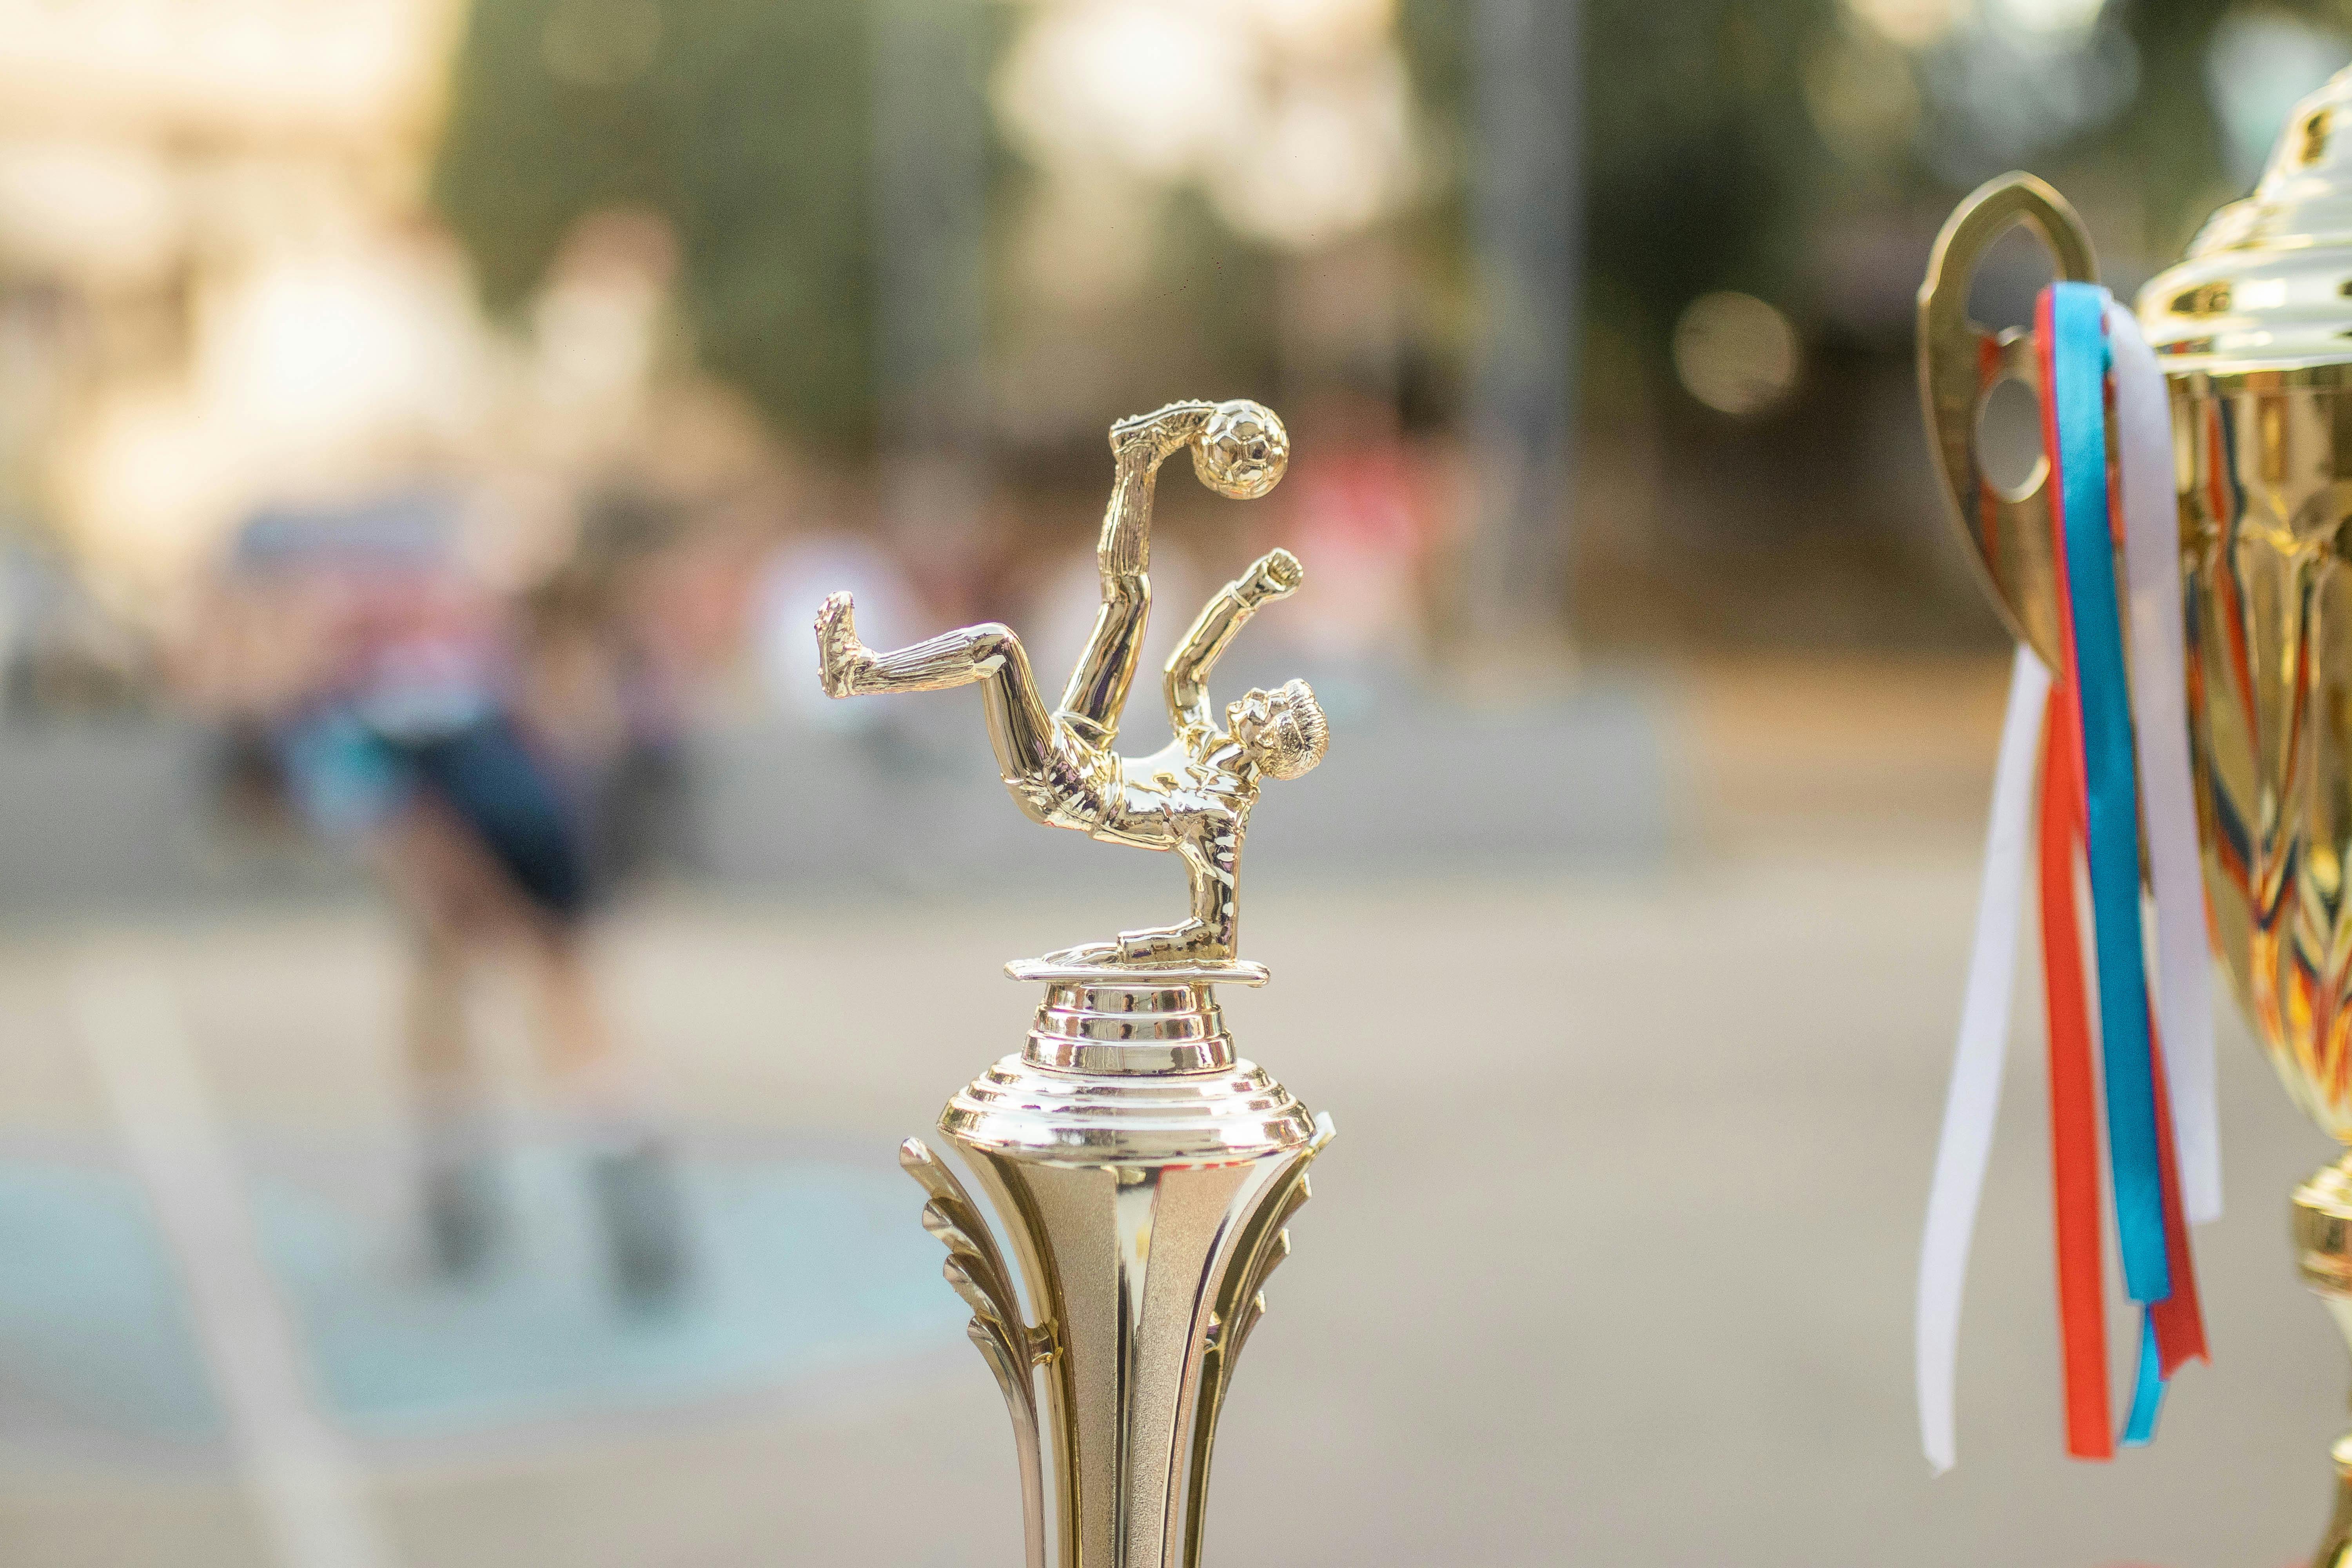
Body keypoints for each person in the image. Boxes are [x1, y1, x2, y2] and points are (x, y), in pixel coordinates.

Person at [185, 494, 686, 1302]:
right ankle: (602, 1161)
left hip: (454, 794)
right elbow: (548, 707)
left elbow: (385, 800)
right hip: (519, 786)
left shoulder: (340, 696)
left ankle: (481, 1183)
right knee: (547, 982)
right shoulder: (443, 629)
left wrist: (443, 873)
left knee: (456, 975)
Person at [814, 399, 1328, 964]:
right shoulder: (1208, 745)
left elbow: (1214, 935)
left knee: (999, 648)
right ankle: (1138, 460)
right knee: (1130, 601)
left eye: (1272, 706)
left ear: (1274, 743)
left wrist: (1110, 956)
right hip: (1089, 748)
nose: (1258, 696)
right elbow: (1185, 671)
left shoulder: (1221, 816)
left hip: (1068, 786)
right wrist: (1246, 597)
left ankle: (858, 672)